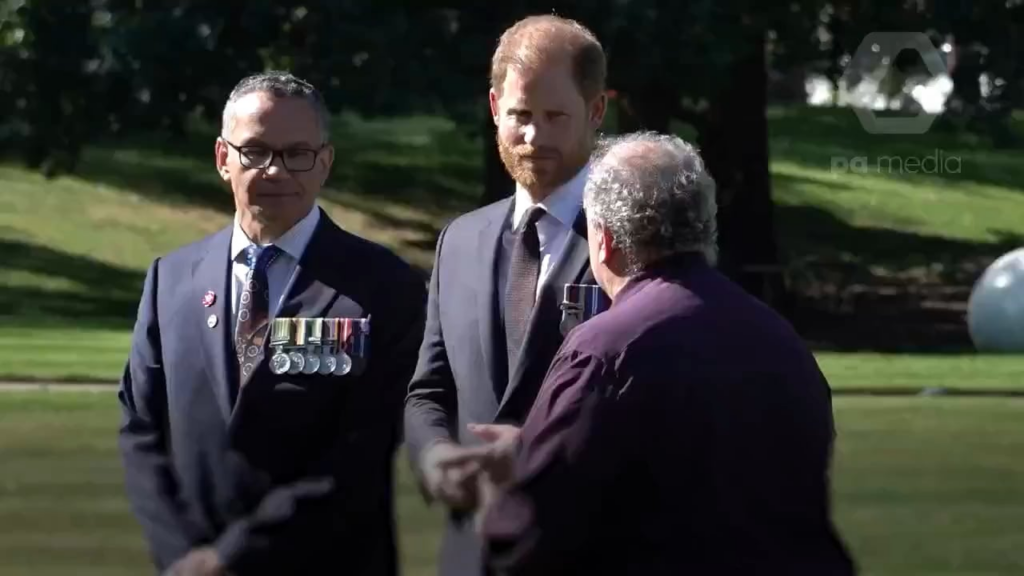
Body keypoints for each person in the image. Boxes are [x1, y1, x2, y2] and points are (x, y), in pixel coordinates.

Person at [464, 132, 858, 576]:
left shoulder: (604, 350)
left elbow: (530, 538)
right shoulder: (781, 340)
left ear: (605, 238)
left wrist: (502, 489)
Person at [117, 71, 427, 576]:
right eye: (255, 151)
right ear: (223, 159)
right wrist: (181, 555)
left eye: (297, 153)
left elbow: (362, 453)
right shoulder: (170, 279)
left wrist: (230, 558)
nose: (276, 171)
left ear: (324, 162)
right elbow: (141, 429)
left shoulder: (385, 287)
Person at [403, 14, 610, 576]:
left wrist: (541, 454)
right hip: (471, 556)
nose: (534, 136)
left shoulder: (635, 239)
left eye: (555, 116)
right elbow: (428, 391)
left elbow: (664, 405)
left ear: (596, 111)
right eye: (520, 115)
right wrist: (436, 457)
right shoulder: (459, 241)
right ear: (495, 108)